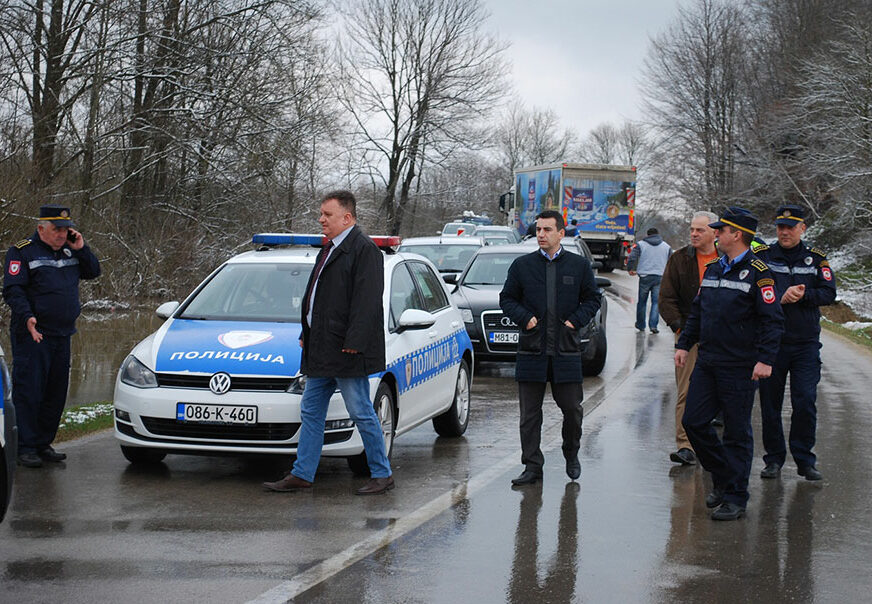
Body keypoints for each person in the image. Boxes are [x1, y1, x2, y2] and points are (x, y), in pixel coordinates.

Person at [263, 190, 394, 495]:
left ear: (347, 218)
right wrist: (306, 332)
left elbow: (367, 302)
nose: (321, 219)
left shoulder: (364, 251)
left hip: (347, 351)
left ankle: (382, 473)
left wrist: (354, 342)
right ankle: (303, 473)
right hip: (321, 348)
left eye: (327, 214)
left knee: (361, 410)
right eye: (321, 214)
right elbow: (319, 298)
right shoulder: (330, 248)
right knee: (310, 410)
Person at [675, 207, 784, 521]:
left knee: (736, 433)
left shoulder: (760, 272)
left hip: (739, 365)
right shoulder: (713, 269)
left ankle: (735, 497)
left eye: (720, 230)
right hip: (708, 361)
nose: (715, 234)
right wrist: (684, 344)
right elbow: (698, 312)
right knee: (693, 422)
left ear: (736, 234)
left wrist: (765, 359)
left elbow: (772, 321)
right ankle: (725, 475)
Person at [500, 210, 601, 485]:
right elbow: (507, 299)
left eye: (547, 230)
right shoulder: (522, 266)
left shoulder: (578, 266)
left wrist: (574, 322)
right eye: (538, 229)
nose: (541, 234)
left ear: (560, 234)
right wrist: (525, 319)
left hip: (565, 351)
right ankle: (532, 466)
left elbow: (593, 300)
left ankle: (571, 453)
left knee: (572, 410)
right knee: (529, 416)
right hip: (532, 350)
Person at [2, 204, 101, 468]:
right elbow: (13, 290)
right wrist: (27, 317)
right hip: (33, 335)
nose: (62, 234)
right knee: (30, 390)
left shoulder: (70, 250)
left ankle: (43, 442)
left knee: (55, 392)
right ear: (41, 228)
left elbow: (93, 272)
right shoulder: (22, 251)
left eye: (66, 229)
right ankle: (25, 446)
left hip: (63, 334)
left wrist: (82, 248)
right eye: (57, 229)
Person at [755, 205, 836, 481]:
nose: (785, 232)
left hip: (804, 343)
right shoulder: (763, 257)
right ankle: (774, 459)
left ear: (803, 228)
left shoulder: (816, 260)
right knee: (770, 403)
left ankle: (804, 460)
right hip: (772, 343)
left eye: (791, 227)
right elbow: (754, 290)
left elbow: (829, 292)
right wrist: (780, 295)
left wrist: (804, 296)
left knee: (805, 401)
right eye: (780, 227)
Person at [659, 211, 719, 466]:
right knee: (686, 391)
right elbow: (666, 298)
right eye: (692, 229)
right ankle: (685, 445)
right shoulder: (679, 259)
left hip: (723, 338)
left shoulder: (727, 258)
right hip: (688, 337)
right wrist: (679, 328)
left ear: (715, 233)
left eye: (700, 230)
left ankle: (713, 443)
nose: (694, 234)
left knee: (721, 391)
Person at [627, 227, 672, 334]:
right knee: (656, 302)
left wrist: (630, 268)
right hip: (660, 276)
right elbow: (671, 262)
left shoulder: (641, 244)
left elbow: (632, 257)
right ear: (658, 234)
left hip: (645, 276)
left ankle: (640, 324)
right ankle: (653, 326)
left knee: (642, 302)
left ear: (647, 235)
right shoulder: (666, 246)